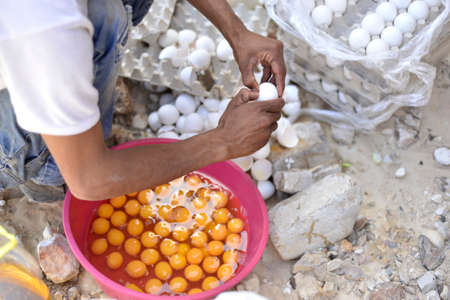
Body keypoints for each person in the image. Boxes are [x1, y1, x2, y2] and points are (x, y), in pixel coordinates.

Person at [0, 0, 286, 202]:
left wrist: (237, 34)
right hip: (22, 75)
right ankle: (46, 171)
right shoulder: (41, 26)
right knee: (104, 16)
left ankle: (74, 111)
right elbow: (89, 179)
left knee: (110, 11)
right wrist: (223, 141)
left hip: (43, 50)